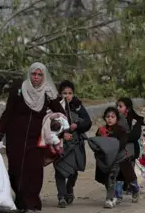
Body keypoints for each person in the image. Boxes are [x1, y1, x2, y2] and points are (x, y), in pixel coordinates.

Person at [0, 62, 66, 212]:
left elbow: (60, 114)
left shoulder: (48, 93)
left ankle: (31, 202)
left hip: (36, 139)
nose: (36, 77)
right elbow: (8, 113)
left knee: (34, 171)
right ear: (29, 74)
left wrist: (61, 130)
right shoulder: (19, 90)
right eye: (34, 74)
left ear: (44, 76)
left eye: (40, 75)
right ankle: (21, 200)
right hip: (15, 137)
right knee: (16, 170)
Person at [54, 80, 92, 208]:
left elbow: (88, 122)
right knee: (59, 169)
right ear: (60, 94)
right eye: (64, 93)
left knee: (73, 170)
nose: (67, 96)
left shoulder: (78, 106)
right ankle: (61, 196)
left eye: (70, 93)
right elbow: (49, 126)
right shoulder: (55, 107)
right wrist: (61, 134)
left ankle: (69, 187)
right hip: (60, 144)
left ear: (73, 94)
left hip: (76, 143)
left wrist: (77, 125)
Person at [95, 107, 131, 209]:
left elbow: (122, 145)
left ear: (117, 118)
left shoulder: (121, 131)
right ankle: (113, 196)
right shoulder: (101, 130)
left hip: (117, 159)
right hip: (104, 160)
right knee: (106, 179)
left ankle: (109, 199)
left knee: (113, 177)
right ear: (104, 118)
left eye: (112, 117)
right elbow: (97, 143)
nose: (110, 119)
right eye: (107, 117)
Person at [115, 98, 143, 202]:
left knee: (128, 173)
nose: (118, 108)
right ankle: (117, 195)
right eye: (117, 106)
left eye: (120, 106)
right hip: (118, 150)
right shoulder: (115, 119)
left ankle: (135, 189)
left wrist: (122, 137)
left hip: (130, 151)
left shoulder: (135, 121)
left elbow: (135, 135)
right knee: (118, 172)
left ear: (128, 108)